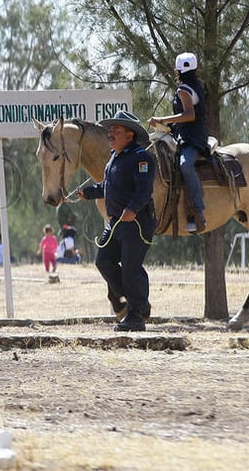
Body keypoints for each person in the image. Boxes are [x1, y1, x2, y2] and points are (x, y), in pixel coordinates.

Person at [77, 110, 156, 332]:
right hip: (116, 222)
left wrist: (132, 208)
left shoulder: (141, 158)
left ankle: (136, 317)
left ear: (129, 135)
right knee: (103, 261)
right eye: (110, 130)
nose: (110, 134)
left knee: (131, 268)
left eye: (116, 130)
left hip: (137, 222)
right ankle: (138, 303)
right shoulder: (114, 158)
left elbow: (144, 189)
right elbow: (106, 186)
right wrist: (89, 193)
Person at [148, 52, 207, 233]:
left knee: (185, 165)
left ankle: (198, 212)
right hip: (183, 135)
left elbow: (189, 115)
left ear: (177, 70)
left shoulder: (184, 89)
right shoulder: (196, 85)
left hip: (192, 140)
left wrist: (162, 119)